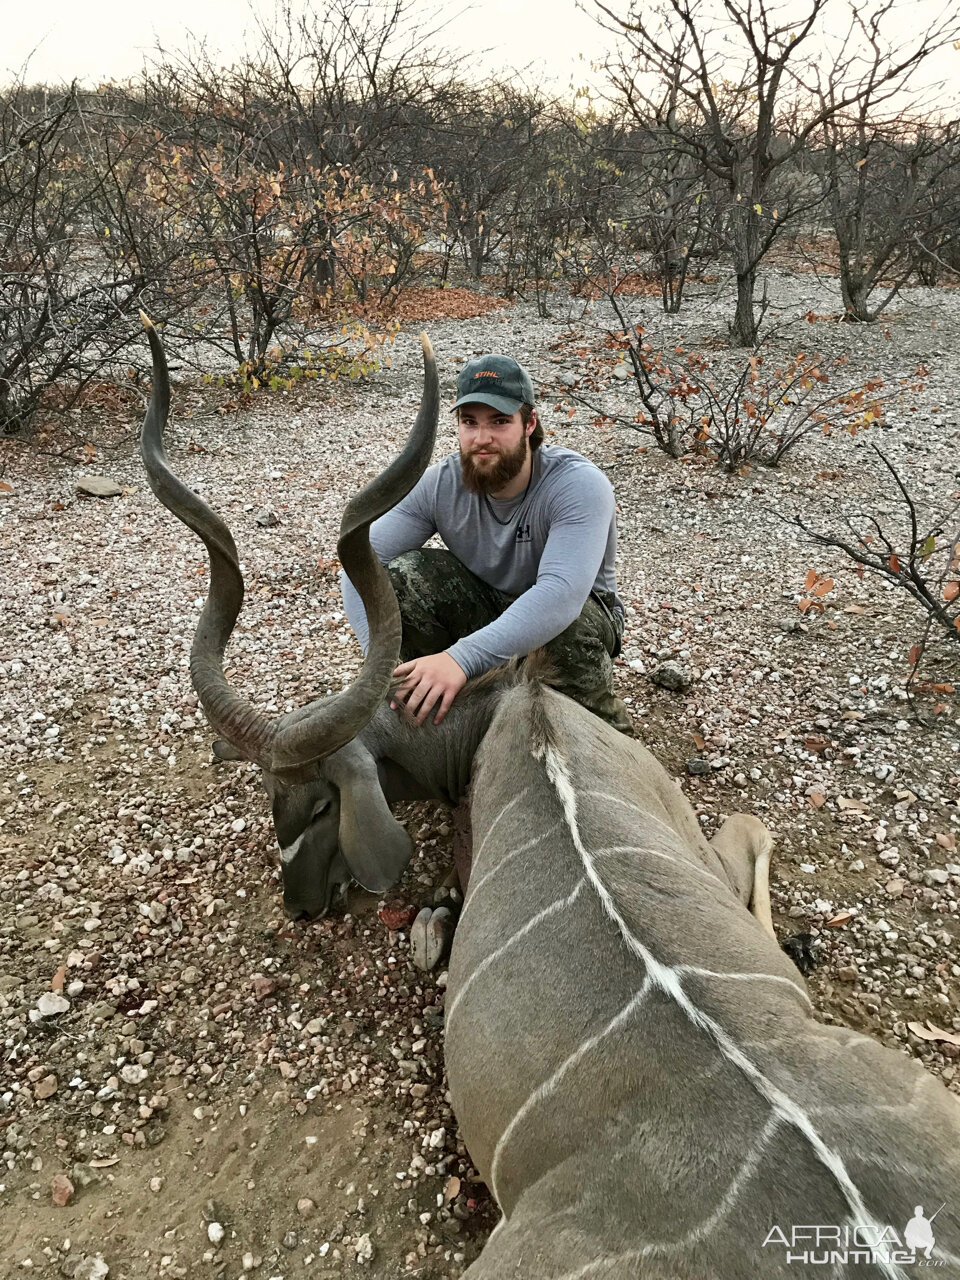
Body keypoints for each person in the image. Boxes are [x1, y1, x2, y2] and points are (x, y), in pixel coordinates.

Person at [341, 352, 633, 735]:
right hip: (488, 608)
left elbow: (561, 594)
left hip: (576, 618)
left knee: (566, 628)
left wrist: (461, 658)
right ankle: (439, 711)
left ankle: (609, 732)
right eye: (469, 422)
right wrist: (377, 665)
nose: (482, 439)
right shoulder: (441, 483)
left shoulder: (577, 484)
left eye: (499, 422)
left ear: (529, 423)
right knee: (404, 577)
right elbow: (364, 562)